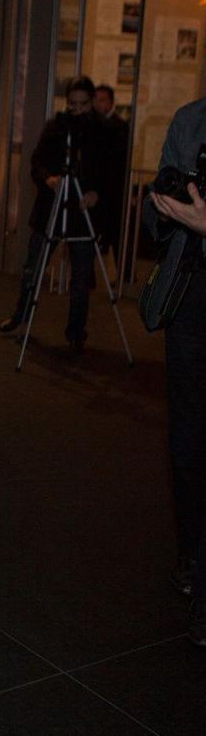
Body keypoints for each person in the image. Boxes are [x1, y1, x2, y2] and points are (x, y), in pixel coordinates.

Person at [146, 96, 206, 647]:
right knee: (187, 445)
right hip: (189, 299)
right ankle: (191, 558)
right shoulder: (189, 119)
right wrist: (164, 206)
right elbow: (157, 220)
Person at [0, 75, 110, 352]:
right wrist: (48, 179)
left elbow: (110, 173)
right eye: (72, 103)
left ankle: (76, 332)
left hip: (82, 213)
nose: (77, 109)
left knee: (81, 277)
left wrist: (97, 194)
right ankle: (21, 315)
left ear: (92, 103)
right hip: (52, 208)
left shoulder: (102, 132)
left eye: (83, 104)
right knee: (33, 267)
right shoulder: (56, 127)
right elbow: (36, 163)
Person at [93, 82, 128, 264]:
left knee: (116, 235)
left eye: (102, 100)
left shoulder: (120, 127)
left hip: (113, 191)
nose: (98, 104)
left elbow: (117, 160)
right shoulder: (91, 125)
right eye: (95, 100)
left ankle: (126, 276)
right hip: (95, 190)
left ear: (111, 103)